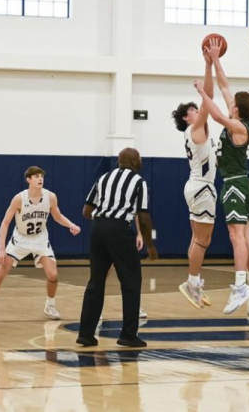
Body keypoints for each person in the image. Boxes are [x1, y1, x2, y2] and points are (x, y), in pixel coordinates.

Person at [194, 43, 249, 316]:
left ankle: (240, 287)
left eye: (233, 103)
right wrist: (214, 60)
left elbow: (214, 115)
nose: (230, 101)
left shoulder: (237, 125)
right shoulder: (240, 119)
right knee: (246, 238)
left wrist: (202, 92)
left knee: (236, 236)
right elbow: (225, 85)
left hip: (235, 184)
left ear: (237, 109)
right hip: (237, 183)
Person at [0, 167, 81, 321]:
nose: (40, 179)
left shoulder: (50, 197)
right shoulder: (19, 198)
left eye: (42, 176)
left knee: (53, 274)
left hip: (40, 239)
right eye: (36, 176)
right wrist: (1, 249)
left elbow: (57, 216)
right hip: (20, 239)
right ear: (28, 180)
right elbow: (5, 223)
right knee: (1, 271)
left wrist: (70, 224)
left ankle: (50, 305)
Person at [78, 148, 156, 348]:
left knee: (96, 281)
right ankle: (128, 335)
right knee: (131, 282)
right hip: (120, 231)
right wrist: (150, 245)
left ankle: (85, 334)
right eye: (139, 159)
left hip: (97, 229)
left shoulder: (103, 178)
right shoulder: (139, 182)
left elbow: (86, 210)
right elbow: (144, 217)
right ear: (134, 162)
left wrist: (103, 219)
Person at [173, 39, 220, 309]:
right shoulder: (195, 128)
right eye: (191, 111)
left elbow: (208, 100)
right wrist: (209, 64)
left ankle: (194, 282)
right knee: (203, 241)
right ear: (187, 119)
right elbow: (210, 97)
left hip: (196, 185)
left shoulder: (196, 132)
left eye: (195, 108)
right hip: (201, 187)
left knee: (198, 239)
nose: (196, 110)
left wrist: (208, 65)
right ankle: (191, 282)